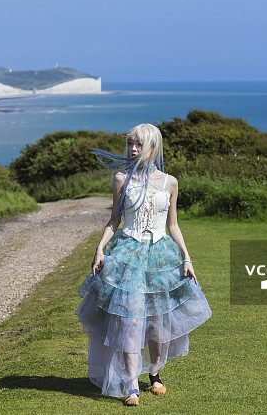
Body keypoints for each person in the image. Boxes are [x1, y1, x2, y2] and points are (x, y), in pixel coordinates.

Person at [76, 123, 212, 406]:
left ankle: (154, 373)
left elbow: (173, 225)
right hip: (128, 255)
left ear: (154, 147)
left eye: (140, 144)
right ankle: (130, 386)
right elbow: (115, 220)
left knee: (160, 324)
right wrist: (100, 249)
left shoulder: (170, 182)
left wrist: (187, 257)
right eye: (130, 144)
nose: (134, 149)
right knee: (131, 320)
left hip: (161, 255)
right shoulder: (121, 179)